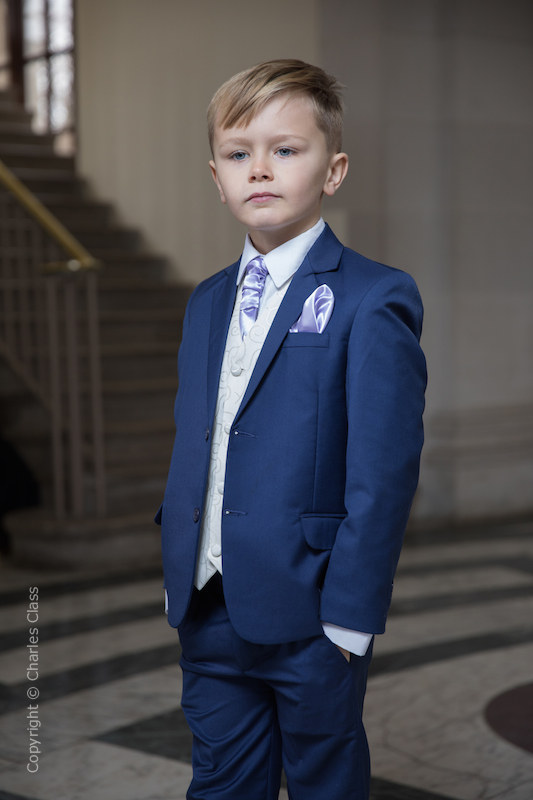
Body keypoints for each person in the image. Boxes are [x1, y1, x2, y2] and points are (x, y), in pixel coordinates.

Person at [155, 58, 426, 799]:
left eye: (286, 149)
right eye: (239, 154)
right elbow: (200, 441)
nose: (260, 170)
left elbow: (383, 472)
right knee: (220, 784)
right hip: (208, 607)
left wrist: (348, 621)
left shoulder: (373, 298)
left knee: (322, 786)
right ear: (216, 176)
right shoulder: (205, 302)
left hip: (312, 615)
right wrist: (179, 554)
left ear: (332, 170)